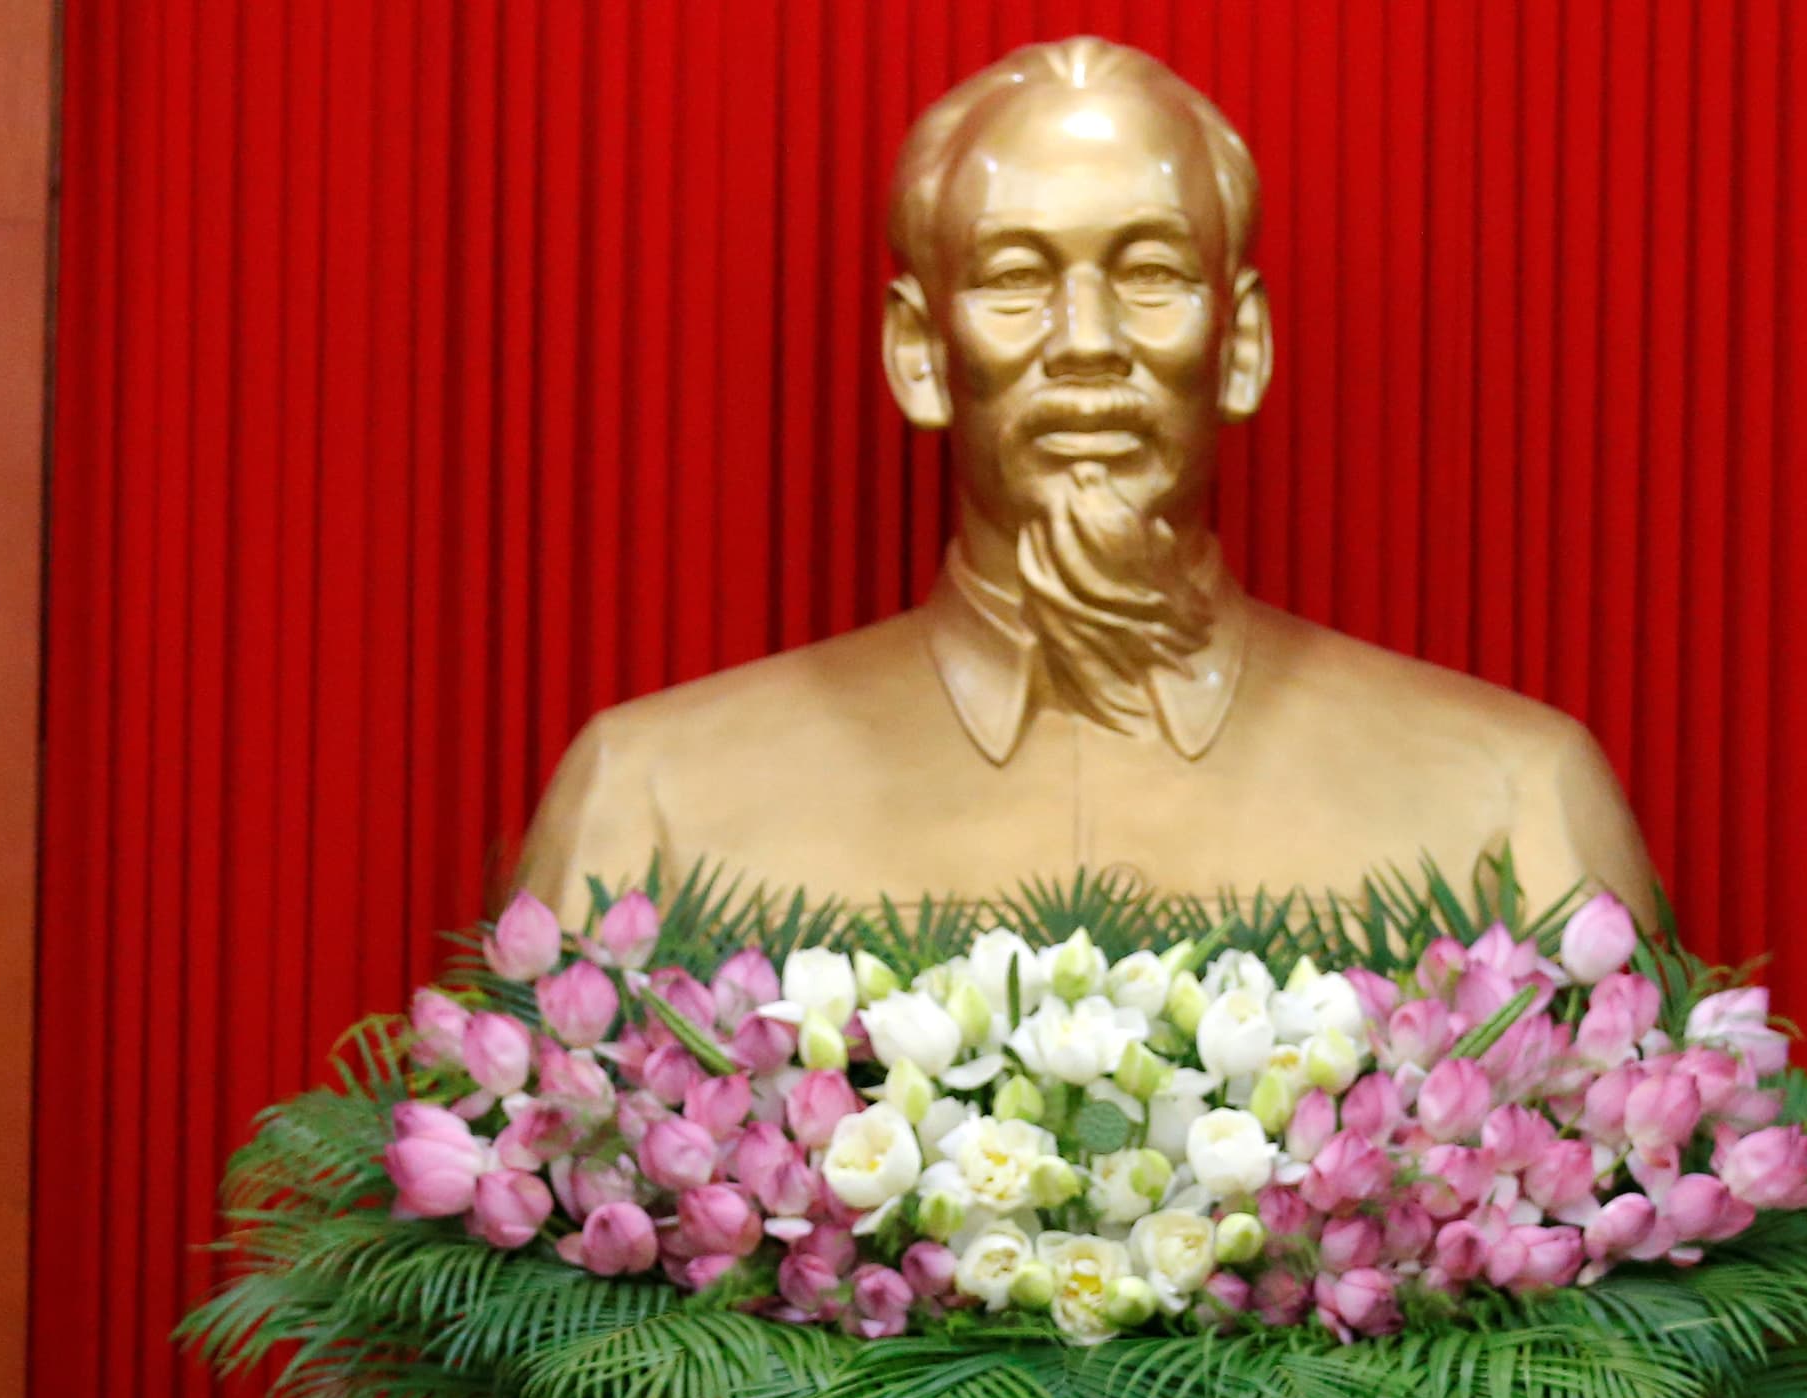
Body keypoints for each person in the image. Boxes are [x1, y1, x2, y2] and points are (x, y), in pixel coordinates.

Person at [512, 36, 1661, 918]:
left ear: (1241, 343)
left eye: (1151, 272)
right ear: (917, 354)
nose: (1088, 339)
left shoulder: (1509, 803)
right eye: (1014, 277)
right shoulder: (650, 801)